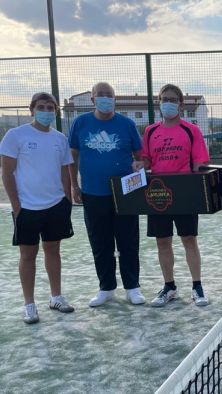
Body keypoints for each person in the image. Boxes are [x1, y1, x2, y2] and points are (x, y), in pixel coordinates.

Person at [68, 82, 145, 307]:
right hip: (92, 193)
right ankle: (106, 288)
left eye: (108, 95)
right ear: (92, 99)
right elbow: (72, 156)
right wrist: (74, 185)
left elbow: (139, 156)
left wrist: (138, 165)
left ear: (114, 99)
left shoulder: (127, 124)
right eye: (100, 95)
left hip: (124, 193)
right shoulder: (80, 123)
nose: (105, 98)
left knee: (128, 241)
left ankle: (133, 288)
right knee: (100, 243)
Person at [0, 92, 75, 323]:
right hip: (27, 208)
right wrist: (16, 205)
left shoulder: (60, 138)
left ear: (55, 111)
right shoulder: (15, 135)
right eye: (41, 107)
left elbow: (65, 170)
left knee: (53, 250)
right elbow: (7, 173)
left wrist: (67, 199)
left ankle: (56, 297)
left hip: (55, 205)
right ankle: (29, 305)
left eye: (50, 108)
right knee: (27, 255)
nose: (46, 111)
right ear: (32, 110)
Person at [141, 84, 209, 307]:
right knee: (162, 241)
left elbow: (200, 164)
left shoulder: (191, 130)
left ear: (180, 103)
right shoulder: (150, 131)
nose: (167, 103)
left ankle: (197, 286)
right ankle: (169, 287)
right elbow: (147, 161)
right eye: (164, 99)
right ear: (159, 102)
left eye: (172, 99)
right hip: (158, 194)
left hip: (184, 194)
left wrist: (198, 191)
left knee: (189, 239)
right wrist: (138, 164)